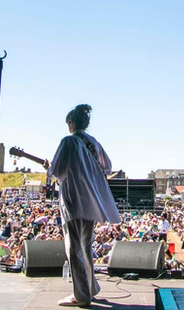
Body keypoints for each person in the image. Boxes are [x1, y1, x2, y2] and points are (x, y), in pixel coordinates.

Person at [45, 104, 121, 308]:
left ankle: (81, 296)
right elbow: (108, 166)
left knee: (73, 247)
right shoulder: (93, 142)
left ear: (71, 123)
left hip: (73, 198)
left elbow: (58, 171)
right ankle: (90, 288)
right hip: (90, 200)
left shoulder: (68, 141)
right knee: (85, 247)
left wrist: (49, 168)